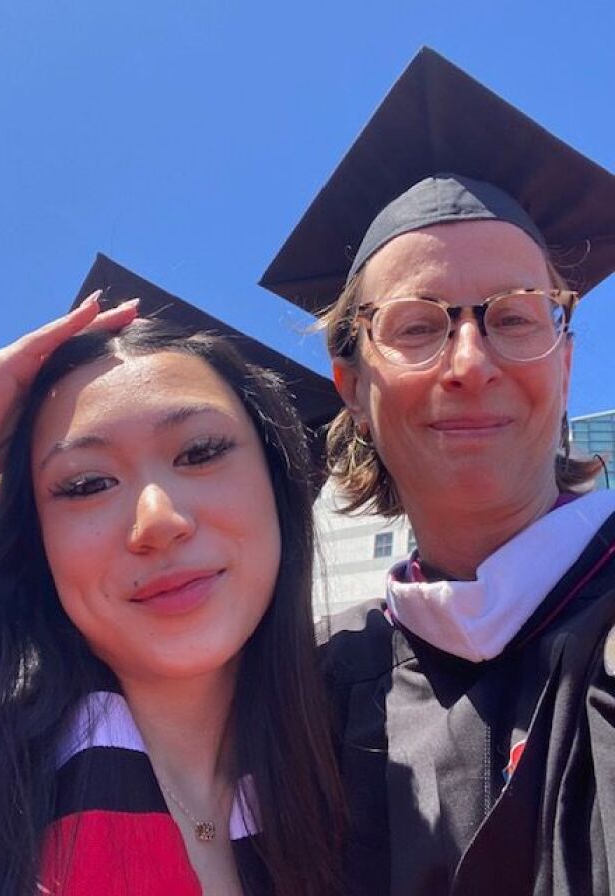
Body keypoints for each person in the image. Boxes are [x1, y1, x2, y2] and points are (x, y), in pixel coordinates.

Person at [260, 49, 615, 895]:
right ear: (353, 386)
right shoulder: (306, 686)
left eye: (516, 317)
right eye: (418, 326)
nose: (470, 361)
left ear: (564, 364)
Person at [0, 296, 345, 896]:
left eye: (202, 452)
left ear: (278, 483)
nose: (157, 519)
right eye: (86, 484)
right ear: (38, 545)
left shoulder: (376, 762)